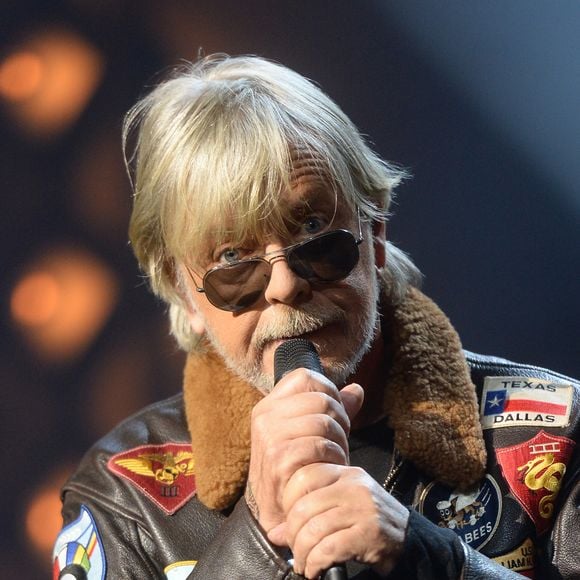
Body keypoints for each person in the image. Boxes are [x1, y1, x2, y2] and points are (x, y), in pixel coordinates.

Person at [52, 54, 578, 579]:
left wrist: (432, 560)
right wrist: (259, 534)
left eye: (309, 226)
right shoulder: (124, 495)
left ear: (374, 233)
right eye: (232, 257)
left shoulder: (558, 433)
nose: (285, 284)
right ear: (186, 296)